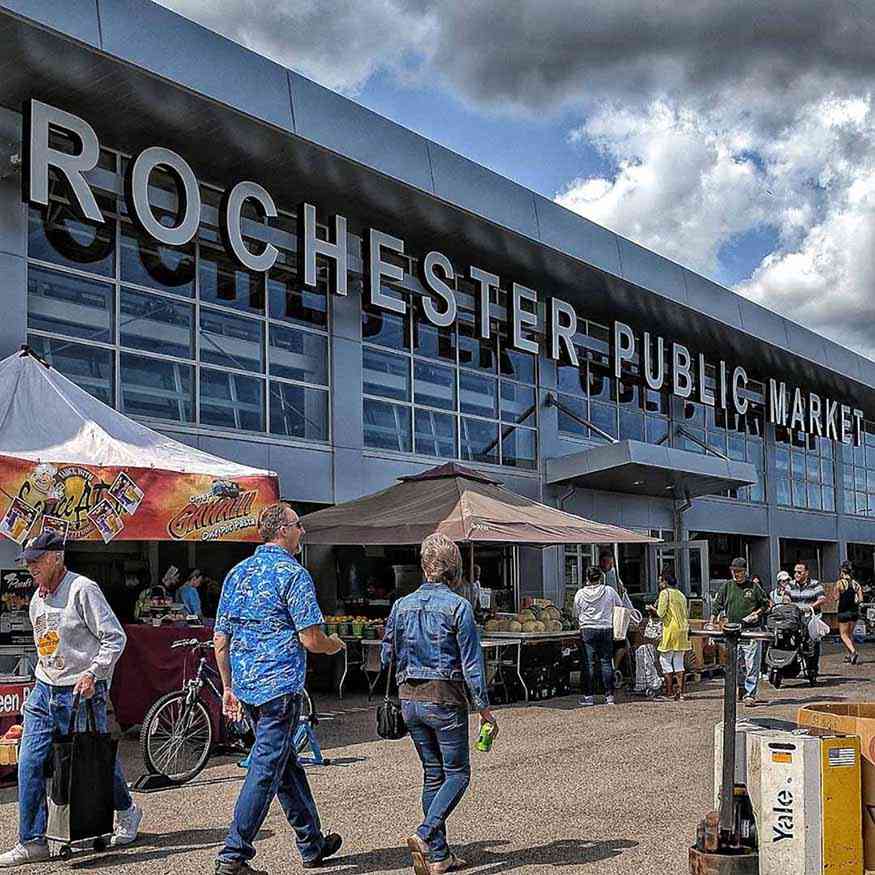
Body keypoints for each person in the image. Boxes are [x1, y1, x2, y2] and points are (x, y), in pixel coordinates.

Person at [214, 503, 345, 875]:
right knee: (266, 767)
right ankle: (233, 855)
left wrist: (228, 687)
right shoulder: (294, 574)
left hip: (248, 688)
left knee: (284, 763)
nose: (302, 532)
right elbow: (311, 638)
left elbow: (220, 639)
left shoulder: (236, 574)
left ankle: (311, 843)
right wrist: (334, 644)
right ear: (282, 530)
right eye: (298, 525)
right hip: (279, 689)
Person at [0, 533, 143, 868]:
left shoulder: (83, 589)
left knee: (90, 760)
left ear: (57, 557)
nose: (30, 567)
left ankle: (127, 810)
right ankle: (32, 841)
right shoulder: (37, 599)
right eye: (28, 561)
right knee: (31, 763)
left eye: (36, 560)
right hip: (44, 690)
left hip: (81, 693)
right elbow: (46, 647)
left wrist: (94, 673)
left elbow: (114, 638)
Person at [381, 533, 495, 875]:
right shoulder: (459, 607)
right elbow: (472, 664)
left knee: (433, 774)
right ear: (455, 570)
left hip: (409, 699)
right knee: (458, 773)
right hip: (445, 700)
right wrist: (484, 710)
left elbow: (387, 654)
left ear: (424, 567)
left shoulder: (401, 605)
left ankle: (439, 857)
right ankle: (426, 833)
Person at [709, 557, 769, 707]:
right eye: (734, 571)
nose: (736, 574)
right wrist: (711, 623)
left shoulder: (753, 587)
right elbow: (717, 606)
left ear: (745, 571)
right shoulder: (727, 587)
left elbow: (765, 604)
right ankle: (741, 688)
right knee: (735, 663)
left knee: (751, 664)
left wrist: (757, 613)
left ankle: (750, 694)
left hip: (751, 630)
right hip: (733, 632)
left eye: (739, 571)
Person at [575, 566, 624, 706]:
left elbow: (576, 612)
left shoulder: (580, 593)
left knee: (588, 664)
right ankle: (609, 696)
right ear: (600, 577)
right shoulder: (609, 591)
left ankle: (588, 696)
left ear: (587, 578)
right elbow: (619, 606)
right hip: (606, 628)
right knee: (606, 662)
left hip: (587, 630)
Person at [649, 571, 691, 700]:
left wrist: (651, 608)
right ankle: (681, 692)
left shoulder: (665, 593)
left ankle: (669, 692)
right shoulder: (681, 594)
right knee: (678, 661)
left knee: (665, 660)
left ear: (665, 582)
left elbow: (661, 613)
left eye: (660, 580)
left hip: (670, 629)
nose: (659, 583)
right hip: (683, 629)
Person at [786, 560, 827, 678]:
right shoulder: (791, 584)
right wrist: (787, 603)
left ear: (806, 573)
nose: (796, 574)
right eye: (795, 572)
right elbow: (786, 597)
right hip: (796, 618)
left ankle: (813, 668)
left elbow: (822, 599)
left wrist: (810, 607)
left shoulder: (815, 584)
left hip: (811, 617)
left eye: (799, 572)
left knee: (813, 640)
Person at [836, 561, 863, 664]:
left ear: (842, 571)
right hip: (854, 611)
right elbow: (860, 599)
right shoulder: (856, 584)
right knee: (850, 634)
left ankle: (853, 651)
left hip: (843, 611)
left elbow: (836, 597)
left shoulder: (840, 583)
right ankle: (849, 655)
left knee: (843, 635)